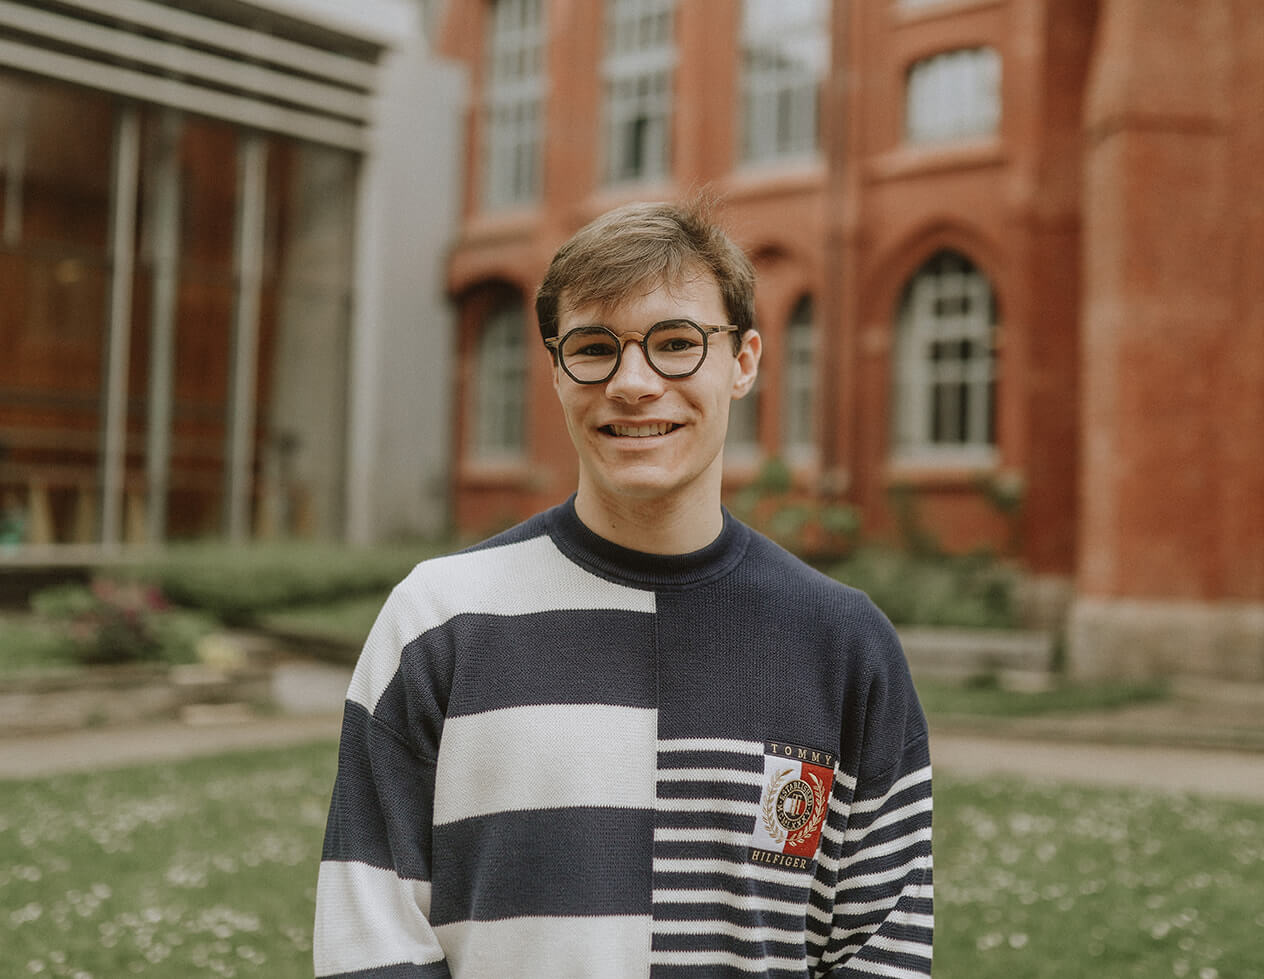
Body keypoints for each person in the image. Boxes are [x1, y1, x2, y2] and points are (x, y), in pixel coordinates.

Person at [314, 198, 933, 978]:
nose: (633, 383)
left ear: (743, 362)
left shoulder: (843, 643)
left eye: (676, 343)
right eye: (594, 347)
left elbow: (882, 953)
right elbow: (371, 941)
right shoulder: (438, 622)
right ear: (556, 368)